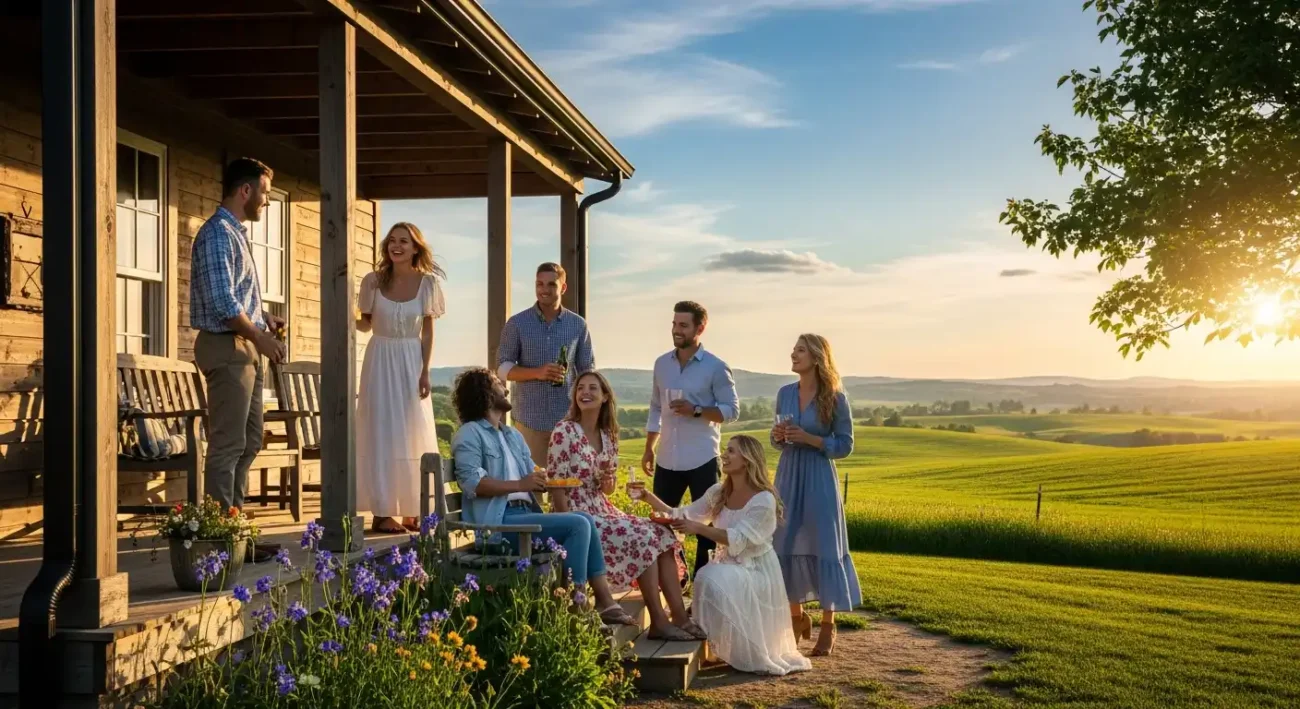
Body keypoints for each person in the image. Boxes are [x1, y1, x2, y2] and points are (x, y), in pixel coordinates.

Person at [449, 368, 638, 627]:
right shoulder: (470, 434)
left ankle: (602, 601)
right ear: (484, 393)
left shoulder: (511, 435)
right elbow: (472, 483)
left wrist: (549, 478)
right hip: (498, 525)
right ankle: (575, 605)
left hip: (524, 516)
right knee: (577, 524)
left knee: (584, 518)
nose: (505, 387)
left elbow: (533, 474)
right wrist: (520, 484)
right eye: (496, 383)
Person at [548, 371, 702, 641]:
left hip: (602, 506)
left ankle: (678, 615)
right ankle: (658, 621)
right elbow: (556, 484)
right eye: (581, 388)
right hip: (577, 513)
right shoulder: (564, 431)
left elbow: (607, 489)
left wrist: (606, 482)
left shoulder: (608, 435)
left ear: (605, 397)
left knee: (661, 533)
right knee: (641, 537)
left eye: (593, 388)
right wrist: (566, 522)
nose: (585, 392)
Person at [641, 435, 810, 676]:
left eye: (731, 451)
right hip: (727, 563)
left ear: (748, 459)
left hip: (756, 568)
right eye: (725, 450)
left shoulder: (764, 499)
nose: (724, 455)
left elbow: (738, 539)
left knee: (710, 577)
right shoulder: (719, 491)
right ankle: (716, 648)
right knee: (707, 576)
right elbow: (683, 514)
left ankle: (740, 650)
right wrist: (647, 496)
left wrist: (699, 529)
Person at [190, 157, 285, 562]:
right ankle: (220, 541)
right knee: (228, 445)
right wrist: (260, 337)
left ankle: (237, 533)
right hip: (227, 346)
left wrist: (264, 318)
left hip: (243, 346)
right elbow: (222, 302)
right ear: (245, 190)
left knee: (249, 442)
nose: (265, 201)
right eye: (264, 193)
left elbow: (239, 296)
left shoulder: (236, 234)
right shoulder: (216, 234)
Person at [771, 334, 861, 657]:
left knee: (825, 543)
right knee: (784, 540)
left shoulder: (835, 398)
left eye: (800, 350)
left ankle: (828, 624)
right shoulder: (784, 394)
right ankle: (796, 619)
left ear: (817, 357)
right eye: (793, 348)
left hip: (820, 476)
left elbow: (846, 444)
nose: (793, 353)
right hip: (788, 474)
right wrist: (779, 436)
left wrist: (812, 439)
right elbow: (776, 440)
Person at [355, 223, 447, 534]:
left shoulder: (428, 284)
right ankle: (381, 512)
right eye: (392, 241)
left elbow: (428, 331)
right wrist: (342, 312)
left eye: (404, 241)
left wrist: (425, 371)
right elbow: (365, 326)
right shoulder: (373, 281)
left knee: (411, 430)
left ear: (415, 247)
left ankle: (411, 507)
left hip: (411, 360)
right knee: (381, 431)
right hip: (379, 359)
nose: (397, 246)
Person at [641, 301, 739, 580]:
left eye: (683, 325)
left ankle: (704, 586)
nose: (676, 330)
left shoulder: (716, 367)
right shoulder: (661, 364)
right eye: (674, 324)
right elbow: (655, 407)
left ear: (700, 328)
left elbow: (732, 410)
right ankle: (675, 582)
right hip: (667, 459)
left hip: (703, 458)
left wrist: (696, 410)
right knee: (663, 525)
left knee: (707, 528)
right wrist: (649, 447)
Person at [496, 263, 595, 467]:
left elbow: (588, 371)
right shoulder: (517, 323)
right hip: (530, 421)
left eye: (551, 284)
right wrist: (537, 373)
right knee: (532, 492)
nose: (544, 289)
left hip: (569, 422)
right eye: (539, 284)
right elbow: (502, 369)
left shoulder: (578, 325)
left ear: (563, 288)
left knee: (567, 491)